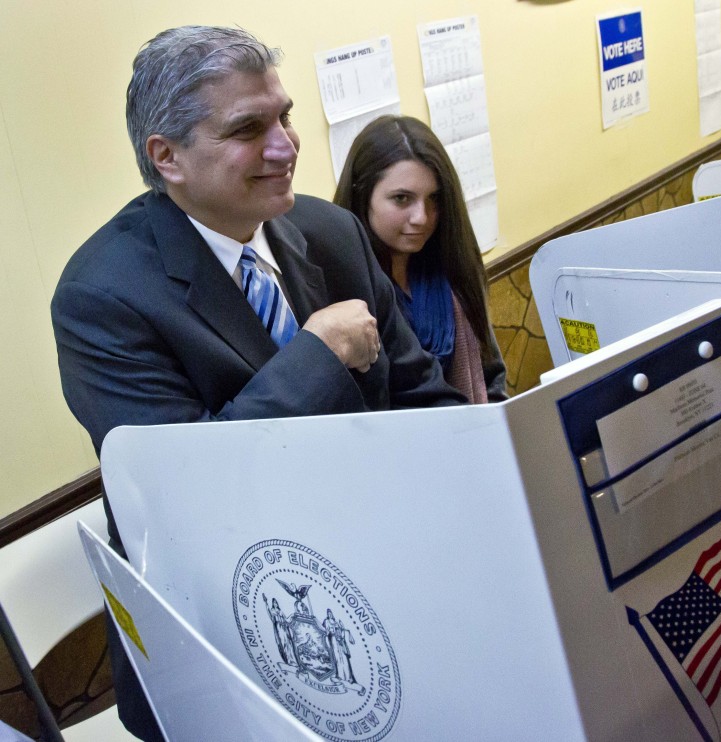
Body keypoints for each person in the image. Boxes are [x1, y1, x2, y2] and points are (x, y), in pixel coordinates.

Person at [50, 26, 464, 740]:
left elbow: (427, 402)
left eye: (285, 116)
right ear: (167, 156)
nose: (285, 145)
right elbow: (187, 495)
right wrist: (316, 354)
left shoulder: (329, 231)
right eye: (248, 128)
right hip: (220, 635)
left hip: (379, 591)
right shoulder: (103, 295)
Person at [334, 116, 508, 403]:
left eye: (434, 199)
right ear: (362, 195)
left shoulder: (450, 267)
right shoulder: (345, 292)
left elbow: (492, 375)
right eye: (402, 199)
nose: (422, 217)